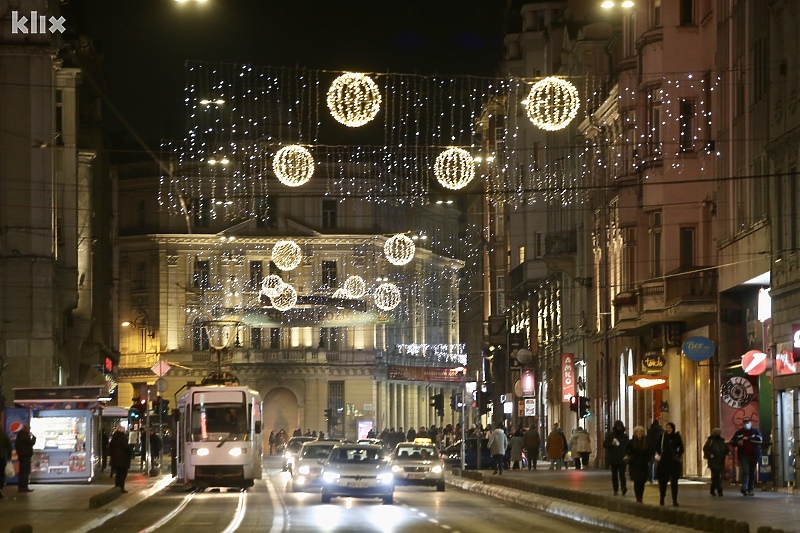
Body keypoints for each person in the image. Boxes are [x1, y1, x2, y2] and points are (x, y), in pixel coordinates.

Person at [730, 416, 763, 496]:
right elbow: (732, 441)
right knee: (745, 471)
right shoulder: (739, 433)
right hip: (743, 455)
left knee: (752, 472)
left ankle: (750, 488)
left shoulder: (756, 432)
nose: (746, 424)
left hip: (754, 455)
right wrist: (738, 443)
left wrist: (748, 439)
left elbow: (760, 440)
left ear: (750, 423)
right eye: (745, 423)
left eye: (748, 423)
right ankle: (744, 487)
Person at [656, 421, 684, 506]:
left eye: (670, 427)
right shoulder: (662, 436)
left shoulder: (677, 437)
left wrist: (678, 455)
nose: (668, 429)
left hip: (674, 462)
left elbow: (682, 448)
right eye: (667, 427)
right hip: (664, 461)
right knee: (663, 481)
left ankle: (674, 500)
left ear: (673, 428)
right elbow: (657, 446)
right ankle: (662, 498)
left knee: (674, 481)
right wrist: (660, 454)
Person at [625, 425, 651, 503]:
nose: (639, 433)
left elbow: (649, 452)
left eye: (641, 432)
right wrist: (630, 454)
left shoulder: (646, 442)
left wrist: (647, 460)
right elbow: (626, 451)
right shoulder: (631, 442)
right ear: (635, 433)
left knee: (642, 482)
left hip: (643, 465)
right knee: (636, 481)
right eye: (637, 432)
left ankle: (641, 496)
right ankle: (638, 498)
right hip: (634, 464)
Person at [603, 420, 629, 495]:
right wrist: (611, 444)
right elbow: (604, 444)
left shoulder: (625, 437)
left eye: (620, 427)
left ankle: (623, 487)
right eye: (617, 427)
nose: (619, 428)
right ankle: (615, 489)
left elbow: (628, 447)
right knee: (614, 475)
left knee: (622, 474)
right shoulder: (611, 436)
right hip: (613, 458)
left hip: (622, 458)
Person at [703, 427, 729, 497]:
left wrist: (728, 452)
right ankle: (720, 490)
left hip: (720, 461)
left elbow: (725, 449)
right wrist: (710, 455)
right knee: (717, 476)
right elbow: (705, 449)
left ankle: (712, 490)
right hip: (713, 461)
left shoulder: (722, 441)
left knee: (715, 477)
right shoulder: (710, 440)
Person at [109, 426, 133, 493]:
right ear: (123, 431)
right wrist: (130, 452)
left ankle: (117, 486)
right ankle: (121, 487)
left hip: (115, 459)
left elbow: (110, 447)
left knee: (118, 474)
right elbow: (126, 447)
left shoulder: (114, 438)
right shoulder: (123, 437)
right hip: (123, 459)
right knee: (123, 474)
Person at [15, 423, 36, 493]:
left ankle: (21, 486)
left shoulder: (20, 435)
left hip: (22, 456)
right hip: (25, 456)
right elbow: (31, 443)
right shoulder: (24, 436)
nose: (29, 430)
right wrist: (33, 437)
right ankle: (24, 487)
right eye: (29, 428)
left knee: (22, 471)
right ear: (26, 428)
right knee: (25, 472)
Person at [646, 420, 664, 484]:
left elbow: (648, 441)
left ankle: (651, 478)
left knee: (651, 464)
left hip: (651, 450)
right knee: (660, 464)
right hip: (659, 449)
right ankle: (660, 478)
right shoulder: (662, 431)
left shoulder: (649, 431)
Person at [0, 429, 12, 499]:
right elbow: (9, 446)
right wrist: (9, 456)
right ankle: (0, 489)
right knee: (1, 474)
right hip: (1, 458)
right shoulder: (4, 436)